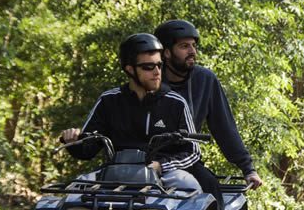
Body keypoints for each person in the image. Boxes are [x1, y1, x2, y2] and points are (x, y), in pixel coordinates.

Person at [60, 33, 201, 194]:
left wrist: (161, 165)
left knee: (191, 188)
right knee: (75, 190)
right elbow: (88, 149)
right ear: (130, 69)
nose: (157, 72)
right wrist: (73, 141)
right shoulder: (109, 100)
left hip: (165, 173)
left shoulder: (176, 103)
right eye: (148, 67)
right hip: (114, 172)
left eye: (159, 65)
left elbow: (193, 151)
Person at [153, 19, 263, 194]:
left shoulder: (205, 79)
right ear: (166, 52)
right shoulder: (150, 80)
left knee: (211, 189)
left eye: (193, 45)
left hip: (187, 159)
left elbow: (224, 127)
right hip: (148, 160)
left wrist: (248, 168)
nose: (192, 51)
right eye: (184, 46)